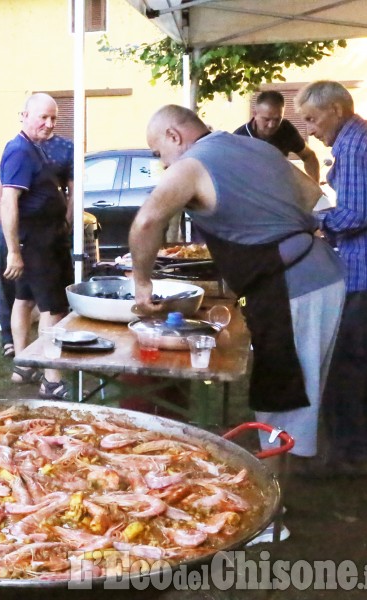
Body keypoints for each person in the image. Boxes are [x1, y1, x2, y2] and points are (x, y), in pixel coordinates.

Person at [130, 105, 345, 471]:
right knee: (291, 388)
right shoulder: (257, 147)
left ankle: (272, 509)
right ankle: (286, 478)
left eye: (158, 153)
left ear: (173, 136)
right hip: (322, 273)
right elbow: (316, 198)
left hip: (291, 284)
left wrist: (141, 282)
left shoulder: (192, 165)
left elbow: (147, 221)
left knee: (282, 392)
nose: (163, 163)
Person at [296, 81, 367, 477]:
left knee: (345, 366)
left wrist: (312, 222)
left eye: (313, 118)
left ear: (336, 110)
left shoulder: (354, 146)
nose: (310, 130)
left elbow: (358, 214)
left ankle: (349, 456)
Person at [0, 93, 74, 399]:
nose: (49, 123)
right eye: (42, 117)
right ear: (24, 115)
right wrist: (15, 250)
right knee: (53, 308)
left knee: (24, 299)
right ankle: (51, 379)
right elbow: (8, 201)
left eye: (53, 118)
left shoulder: (34, 149)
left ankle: (23, 365)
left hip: (42, 239)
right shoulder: (18, 151)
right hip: (35, 243)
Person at [234, 90, 320, 182]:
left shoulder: (286, 129)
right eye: (266, 119)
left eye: (277, 119)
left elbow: (309, 156)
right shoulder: (238, 138)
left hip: (280, 188)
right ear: (255, 114)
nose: (271, 125)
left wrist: (316, 188)